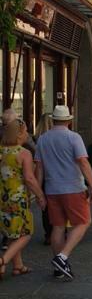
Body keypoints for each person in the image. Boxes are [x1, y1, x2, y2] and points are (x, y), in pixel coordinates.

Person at [35, 105, 92, 279]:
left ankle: (58, 267)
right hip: (73, 188)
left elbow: (39, 168)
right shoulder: (73, 137)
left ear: (53, 120)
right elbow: (83, 163)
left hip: (52, 189)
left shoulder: (43, 139)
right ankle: (62, 257)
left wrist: (39, 193)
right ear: (69, 121)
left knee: (58, 227)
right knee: (84, 222)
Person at [0, 119, 46, 277]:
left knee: (13, 231)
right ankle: (3, 260)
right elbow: (29, 178)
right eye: (26, 130)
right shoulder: (23, 153)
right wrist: (40, 195)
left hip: (2, 198)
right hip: (18, 198)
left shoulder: (2, 151)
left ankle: (18, 266)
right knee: (26, 233)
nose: (27, 133)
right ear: (20, 133)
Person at [34, 113, 53, 244]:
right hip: (56, 176)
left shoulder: (37, 139)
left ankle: (48, 234)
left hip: (42, 176)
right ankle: (59, 231)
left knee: (45, 206)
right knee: (58, 205)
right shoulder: (56, 139)